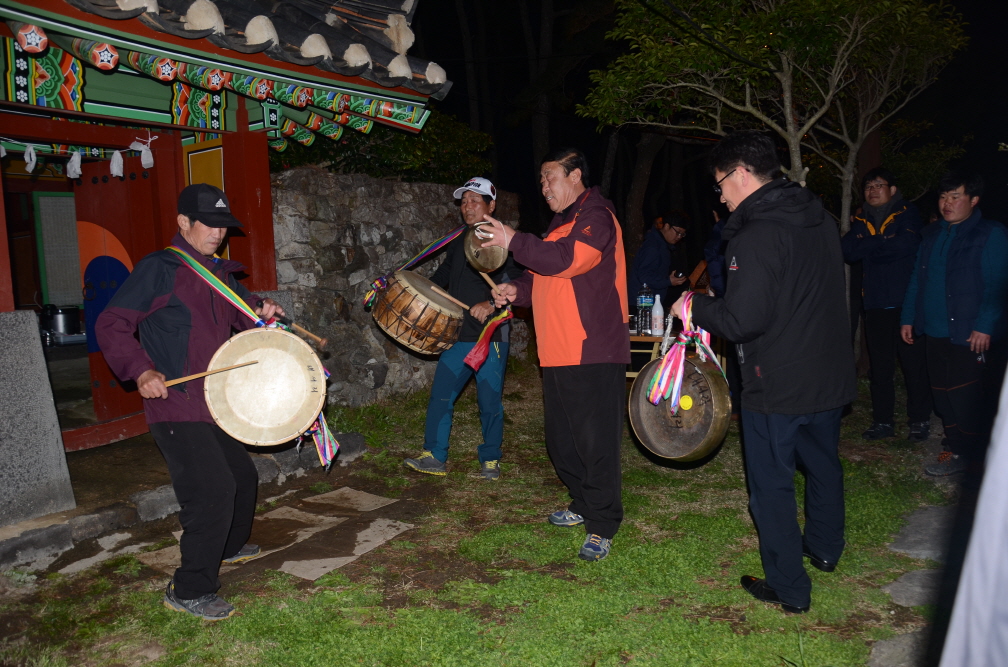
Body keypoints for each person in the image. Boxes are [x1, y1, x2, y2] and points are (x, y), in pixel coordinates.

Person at [674, 131, 856, 613]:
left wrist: (696, 304)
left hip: (777, 381)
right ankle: (824, 549)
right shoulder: (818, 219)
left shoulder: (756, 233)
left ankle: (789, 588)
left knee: (771, 487)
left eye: (720, 185)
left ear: (740, 174)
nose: (722, 196)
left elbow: (742, 320)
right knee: (822, 464)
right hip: (828, 373)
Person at [96, 183, 284, 621]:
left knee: (242, 477)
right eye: (210, 224)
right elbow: (112, 323)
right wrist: (141, 370)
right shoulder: (159, 269)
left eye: (224, 226)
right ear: (183, 222)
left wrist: (263, 310)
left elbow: (244, 314)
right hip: (176, 403)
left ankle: (229, 547)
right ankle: (190, 588)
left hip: (216, 401)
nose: (219, 233)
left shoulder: (219, 272)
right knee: (212, 490)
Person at [480, 148, 630, 562]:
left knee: (594, 442)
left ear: (576, 175)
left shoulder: (596, 217)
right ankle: (583, 503)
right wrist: (516, 290)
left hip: (592, 347)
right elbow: (541, 273)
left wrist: (513, 239)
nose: (543, 186)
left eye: (550, 178)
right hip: (558, 350)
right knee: (563, 442)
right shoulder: (561, 223)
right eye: (541, 180)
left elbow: (566, 262)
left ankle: (603, 524)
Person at [403, 177, 515, 480]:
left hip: (490, 335)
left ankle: (490, 459)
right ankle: (434, 456)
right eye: (464, 201)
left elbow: (515, 284)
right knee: (441, 395)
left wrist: (491, 305)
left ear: (491, 205)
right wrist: (410, 285)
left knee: (488, 401)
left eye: (475, 201)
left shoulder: (501, 240)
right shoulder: (457, 241)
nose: (468, 206)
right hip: (458, 334)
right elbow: (442, 277)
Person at [901, 171, 1008, 476]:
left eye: (955, 196)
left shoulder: (990, 233)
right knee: (942, 395)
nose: (947, 203)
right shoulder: (932, 234)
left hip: (969, 333)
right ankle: (955, 448)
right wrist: (909, 317)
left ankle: (977, 459)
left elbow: (998, 283)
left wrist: (986, 324)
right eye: (943, 196)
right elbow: (917, 281)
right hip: (935, 330)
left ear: (974, 200)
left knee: (966, 397)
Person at [841, 168, 931, 442]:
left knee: (913, 365)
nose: (872, 190)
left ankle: (919, 420)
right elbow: (847, 251)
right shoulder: (861, 217)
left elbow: (907, 245)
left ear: (892, 190)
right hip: (876, 302)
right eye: (868, 186)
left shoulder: (907, 213)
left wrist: (869, 244)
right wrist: (883, 240)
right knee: (881, 368)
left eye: (879, 185)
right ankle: (882, 421)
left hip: (906, 303)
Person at [627, 210, 690, 309]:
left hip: (649, 303)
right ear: (666, 226)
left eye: (682, 234)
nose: (679, 237)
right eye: (677, 232)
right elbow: (644, 276)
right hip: (642, 305)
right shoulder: (653, 247)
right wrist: (668, 281)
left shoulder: (663, 246)